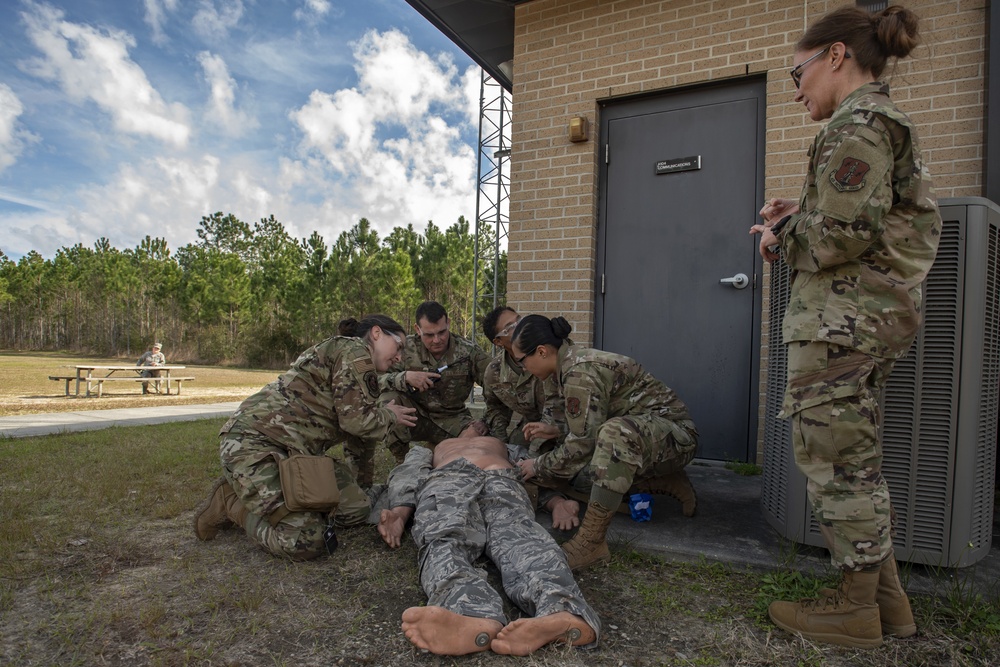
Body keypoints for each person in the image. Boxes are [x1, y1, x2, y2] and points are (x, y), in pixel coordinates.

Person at [748, 5, 941, 649]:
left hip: (841, 321)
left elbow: (841, 234)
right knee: (852, 458)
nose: (796, 87)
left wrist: (780, 235)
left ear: (835, 55)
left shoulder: (858, 124)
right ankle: (887, 604)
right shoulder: (874, 124)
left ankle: (854, 612)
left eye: (797, 71)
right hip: (861, 318)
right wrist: (800, 206)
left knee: (836, 465)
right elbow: (863, 215)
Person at [192, 315, 417, 561]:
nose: (399, 356)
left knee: (356, 509)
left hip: (294, 453)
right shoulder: (355, 350)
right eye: (399, 346)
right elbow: (356, 421)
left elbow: (360, 434)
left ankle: (278, 495)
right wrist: (389, 416)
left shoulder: (357, 363)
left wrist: (360, 485)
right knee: (304, 540)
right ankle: (230, 503)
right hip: (253, 444)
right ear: (376, 333)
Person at [376, 423, 599, 656]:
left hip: (501, 478)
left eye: (482, 424)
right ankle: (471, 614)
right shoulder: (434, 448)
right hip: (448, 480)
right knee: (444, 541)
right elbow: (409, 472)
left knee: (524, 539)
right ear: (459, 428)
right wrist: (400, 513)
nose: (477, 425)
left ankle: (562, 611)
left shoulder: (505, 446)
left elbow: (534, 472)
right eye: (471, 423)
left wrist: (557, 502)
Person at [510, 314, 699, 571]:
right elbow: (589, 424)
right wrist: (557, 429)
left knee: (611, 438)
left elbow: (582, 444)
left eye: (521, 361)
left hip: (676, 438)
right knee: (582, 474)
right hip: (650, 438)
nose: (523, 368)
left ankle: (592, 542)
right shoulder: (563, 368)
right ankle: (659, 479)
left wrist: (538, 466)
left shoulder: (579, 372)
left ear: (541, 352)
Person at [374, 300, 490, 468]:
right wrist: (405, 377)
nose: (437, 340)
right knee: (389, 400)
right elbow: (373, 382)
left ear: (448, 323)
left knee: (479, 442)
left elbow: (496, 386)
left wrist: (484, 421)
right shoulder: (404, 349)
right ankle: (405, 463)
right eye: (429, 335)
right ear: (417, 329)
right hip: (414, 416)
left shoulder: (468, 352)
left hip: (452, 418)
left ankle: (437, 453)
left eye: (442, 332)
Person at [481, 305, 565, 453]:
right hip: (533, 424)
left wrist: (534, 461)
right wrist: (502, 445)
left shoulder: (548, 352)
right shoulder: (494, 372)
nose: (520, 326)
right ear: (498, 342)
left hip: (565, 420)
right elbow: (495, 409)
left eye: (519, 320)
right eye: (510, 327)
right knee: (515, 445)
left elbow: (557, 408)